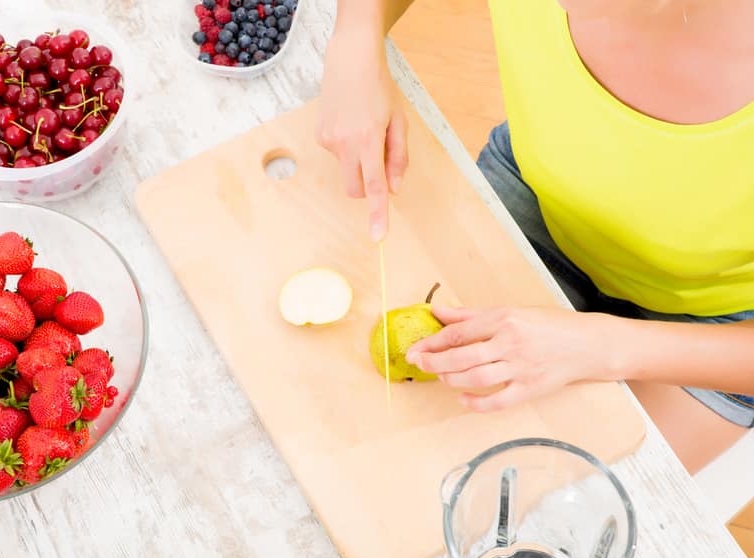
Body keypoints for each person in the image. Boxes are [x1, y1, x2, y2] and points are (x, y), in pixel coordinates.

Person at [317, 0, 754, 473]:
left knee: (555, 506)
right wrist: (357, 36)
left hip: (720, 328)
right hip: (541, 195)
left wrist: (603, 348)